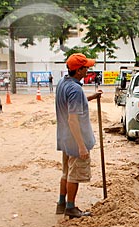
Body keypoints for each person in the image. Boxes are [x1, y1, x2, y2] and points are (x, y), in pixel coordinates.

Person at [55, 53, 102, 218]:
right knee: (74, 176)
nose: (88, 69)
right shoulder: (75, 89)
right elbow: (73, 119)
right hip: (75, 139)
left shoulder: (63, 83)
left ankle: (61, 203)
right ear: (79, 70)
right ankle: (71, 207)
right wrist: (82, 146)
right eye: (86, 67)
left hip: (65, 137)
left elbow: (73, 104)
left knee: (66, 172)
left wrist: (91, 97)